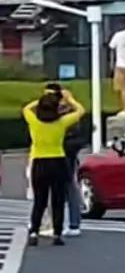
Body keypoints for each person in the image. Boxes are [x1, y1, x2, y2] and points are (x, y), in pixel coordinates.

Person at [23, 85, 86, 246]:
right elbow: (80, 111)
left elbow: (26, 108)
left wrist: (44, 98)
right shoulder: (62, 123)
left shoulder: (34, 122)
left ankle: (34, 231)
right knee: (58, 200)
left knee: (40, 201)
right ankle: (57, 234)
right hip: (58, 161)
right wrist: (68, 99)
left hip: (40, 161)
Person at [63, 100, 90, 235]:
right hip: (64, 156)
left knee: (69, 189)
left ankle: (73, 223)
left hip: (65, 157)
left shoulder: (67, 120)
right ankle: (69, 223)